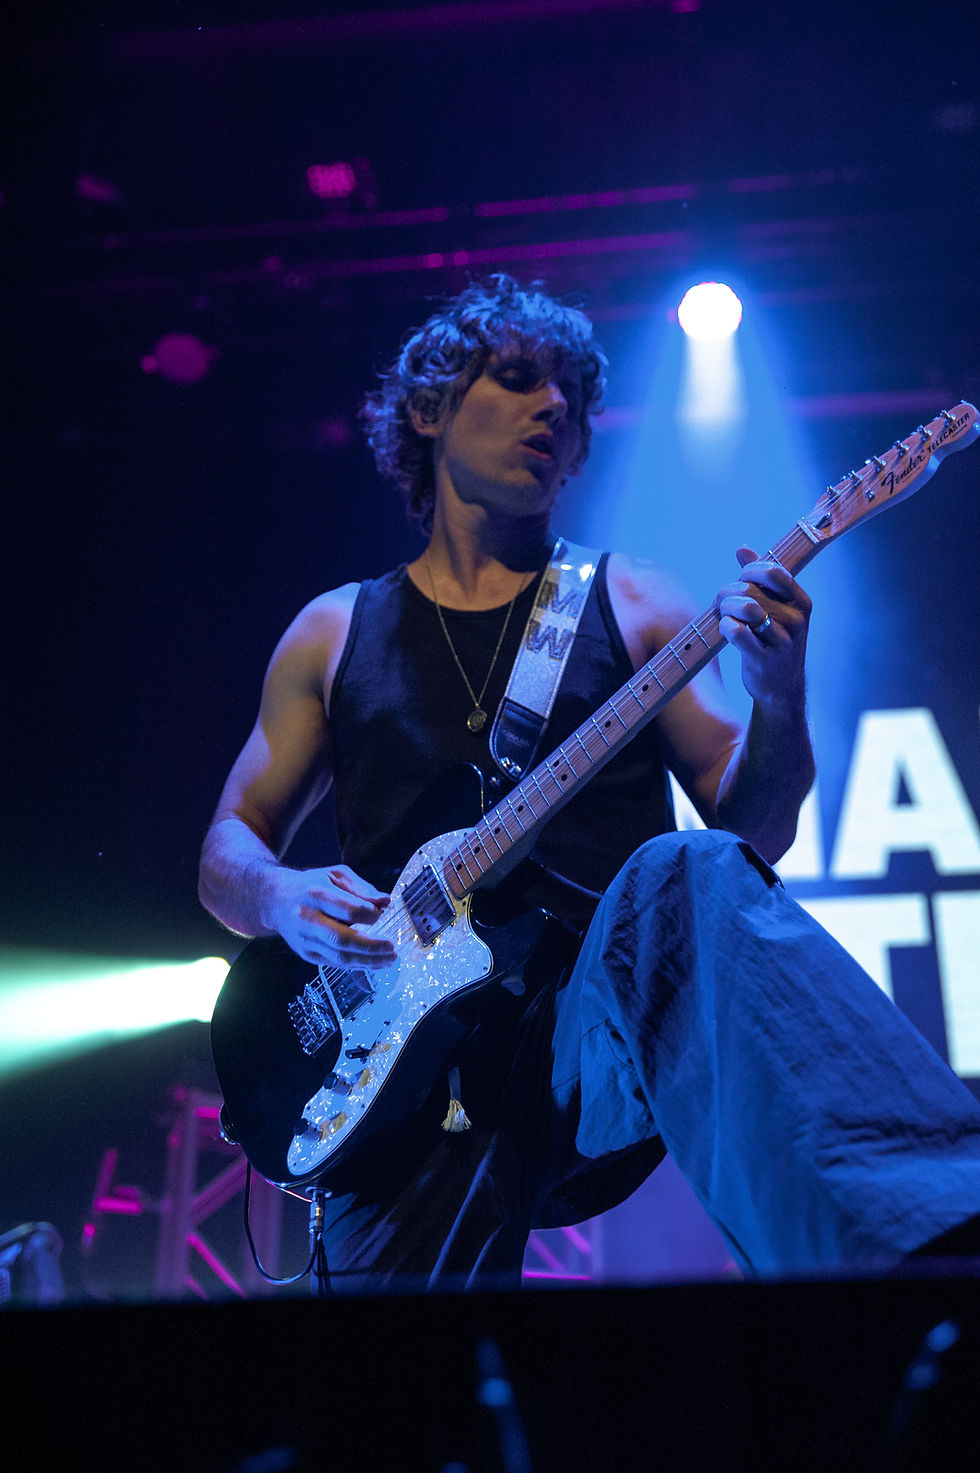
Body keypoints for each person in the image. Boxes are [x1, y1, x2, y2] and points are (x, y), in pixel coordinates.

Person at [199, 274, 980, 1291]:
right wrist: (284, 897)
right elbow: (227, 853)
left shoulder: (633, 601)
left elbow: (755, 836)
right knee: (388, 1414)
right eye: (519, 379)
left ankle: (920, 1249)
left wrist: (777, 700)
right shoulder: (334, 629)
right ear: (428, 410)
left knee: (683, 873)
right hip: (380, 1064)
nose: (553, 407)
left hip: (577, 1034)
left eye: (569, 397)